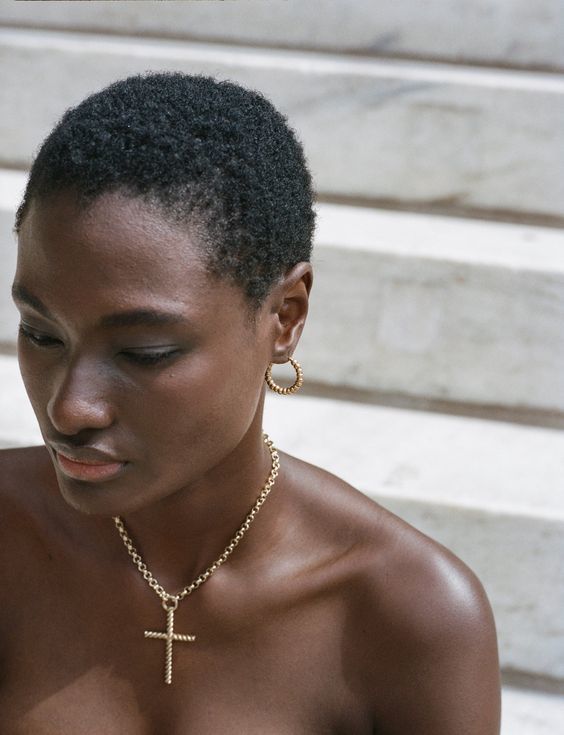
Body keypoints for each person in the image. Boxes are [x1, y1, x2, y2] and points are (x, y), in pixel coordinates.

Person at [0, 72, 500, 733]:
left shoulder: (408, 613)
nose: (70, 408)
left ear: (284, 316)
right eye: (42, 334)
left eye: (143, 352)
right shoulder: (10, 535)